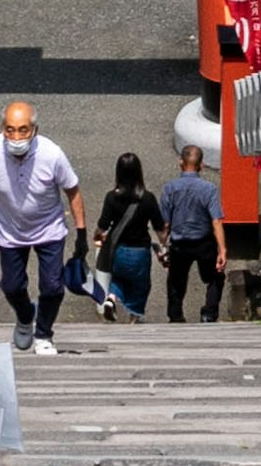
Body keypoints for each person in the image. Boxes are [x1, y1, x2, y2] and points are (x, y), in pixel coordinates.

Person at [0, 99, 82, 350]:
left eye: (23, 129)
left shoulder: (52, 153)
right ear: (2, 128)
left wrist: (81, 233)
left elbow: (73, 190)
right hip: (10, 231)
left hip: (49, 229)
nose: (16, 136)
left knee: (53, 287)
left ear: (34, 130)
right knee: (11, 286)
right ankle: (25, 317)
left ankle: (44, 333)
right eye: (10, 129)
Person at [158, 130, 224, 326]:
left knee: (176, 281)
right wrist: (222, 249)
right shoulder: (209, 189)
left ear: (181, 163)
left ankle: (176, 315)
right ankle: (209, 313)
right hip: (204, 242)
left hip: (179, 243)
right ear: (201, 166)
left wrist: (163, 246)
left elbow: (165, 224)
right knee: (214, 277)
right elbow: (216, 221)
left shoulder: (170, 188)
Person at [93, 153, 159, 323]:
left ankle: (111, 298)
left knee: (118, 279)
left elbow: (103, 224)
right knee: (140, 286)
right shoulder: (148, 198)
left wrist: (97, 235)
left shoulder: (111, 197)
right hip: (140, 252)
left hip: (119, 250)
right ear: (139, 172)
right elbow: (160, 227)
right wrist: (164, 246)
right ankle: (133, 320)